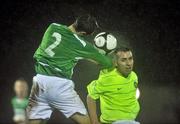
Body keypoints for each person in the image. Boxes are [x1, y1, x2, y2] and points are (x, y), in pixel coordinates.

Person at [27, 14, 113, 124]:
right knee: (86, 123)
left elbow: (61, 46)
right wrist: (97, 57)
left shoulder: (52, 26)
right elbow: (107, 63)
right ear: (82, 33)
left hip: (39, 82)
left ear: (75, 22)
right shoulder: (81, 45)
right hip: (60, 85)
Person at [87, 46, 140, 124]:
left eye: (130, 58)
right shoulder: (108, 78)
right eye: (123, 60)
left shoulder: (133, 76)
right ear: (115, 63)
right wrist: (94, 122)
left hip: (132, 121)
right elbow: (90, 97)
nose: (128, 63)